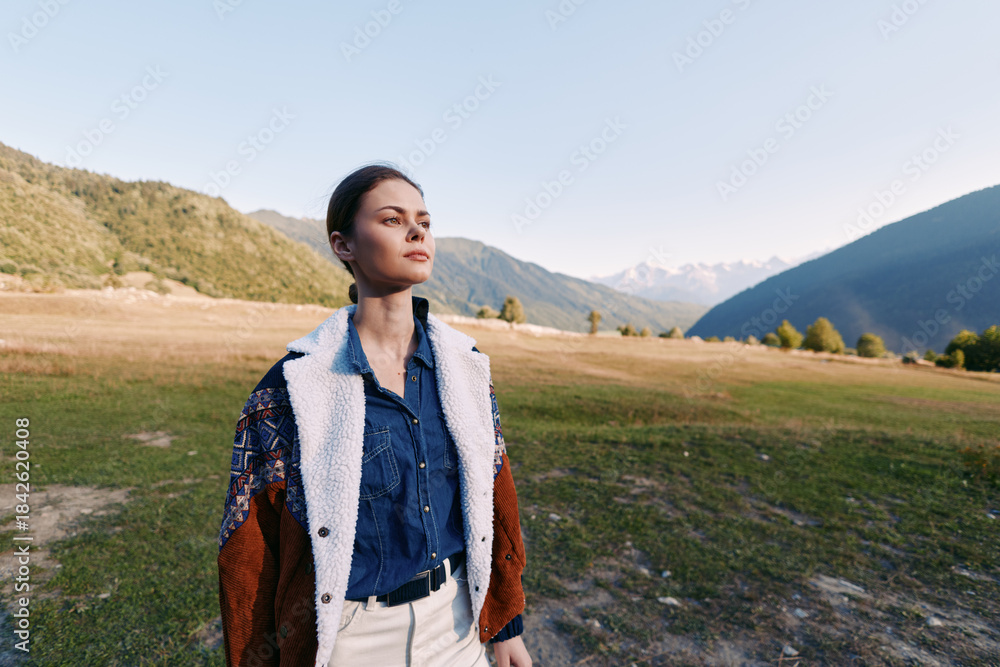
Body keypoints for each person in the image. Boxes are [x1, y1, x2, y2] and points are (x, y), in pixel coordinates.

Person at [217, 163, 533, 667]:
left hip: (457, 622)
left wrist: (505, 622)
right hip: (352, 638)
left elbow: (494, 494)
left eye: (424, 222)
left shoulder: (466, 367)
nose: (417, 232)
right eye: (392, 219)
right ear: (344, 245)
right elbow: (249, 550)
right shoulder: (292, 388)